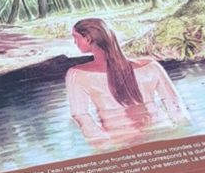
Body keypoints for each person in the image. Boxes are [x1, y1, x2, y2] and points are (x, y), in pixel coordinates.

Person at [66, 17, 189, 148]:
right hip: (163, 132)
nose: (75, 42)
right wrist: (183, 134)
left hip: (122, 141)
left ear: (88, 39)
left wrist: (104, 146)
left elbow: (81, 116)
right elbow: (174, 104)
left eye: (76, 37)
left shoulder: (77, 74)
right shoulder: (151, 66)